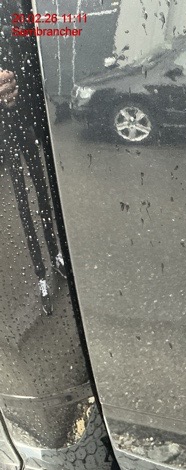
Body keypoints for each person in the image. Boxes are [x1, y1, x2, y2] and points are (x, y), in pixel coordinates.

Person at [1, 2, 65, 315]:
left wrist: (21, 86)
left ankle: (56, 257)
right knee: (23, 201)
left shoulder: (15, 12)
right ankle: (40, 275)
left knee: (42, 190)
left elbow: (33, 54)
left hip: (28, 120)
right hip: (5, 131)